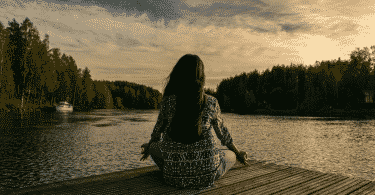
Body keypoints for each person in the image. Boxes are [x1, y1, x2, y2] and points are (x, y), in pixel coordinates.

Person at [140, 54, 249, 189]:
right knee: (230, 155)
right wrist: (238, 153)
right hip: (207, 175)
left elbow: (156, 134)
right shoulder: (211, 102)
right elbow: (224, 136)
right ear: (201, 77)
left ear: (178, 75)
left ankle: (175, 168)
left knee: (152, 147)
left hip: (173, 177)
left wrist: (148, 147)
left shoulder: (168, 101)